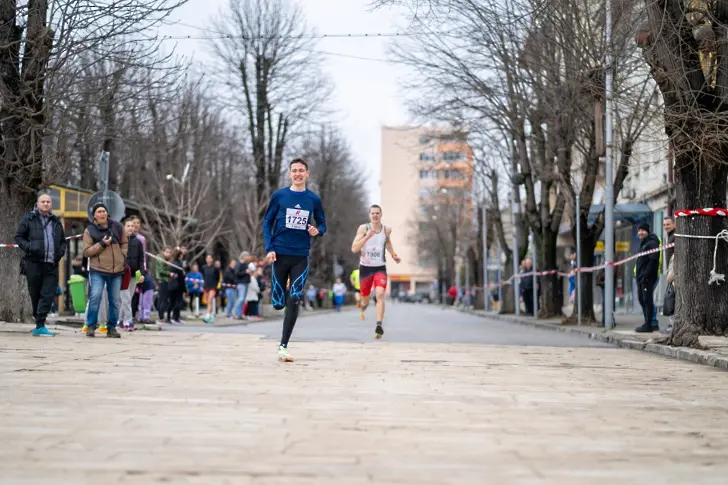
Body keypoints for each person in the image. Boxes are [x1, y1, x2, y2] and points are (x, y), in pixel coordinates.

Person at [263, 158, 327, 362]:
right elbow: (267, 222)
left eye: (301, 170)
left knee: (295, 298)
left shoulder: (313, 199)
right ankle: (278, 300)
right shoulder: (280, 195)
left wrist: (317, 230)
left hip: (301, 255)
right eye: (294, 171)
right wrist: (269, 248)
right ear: (290, 174)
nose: (298, 174)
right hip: (280, 254)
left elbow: (323, 224)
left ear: (307, 174)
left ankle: (283, 346)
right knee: (278, 303)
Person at [15, 191, 67, 337]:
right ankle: (38, 324)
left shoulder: (56, 221)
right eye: (43, 201)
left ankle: (40, 324)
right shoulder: (29, 218)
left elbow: (63, 241)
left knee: (48, 294)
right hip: (33, 263)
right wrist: (30, 247)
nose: (45, 204)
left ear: (51, 204)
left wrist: (60, 253)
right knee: (35, 294)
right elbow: (19, 237)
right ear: (38, 203)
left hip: (51, 264)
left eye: (48, 202)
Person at [351, 204, 401, 339]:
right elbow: (354, 248)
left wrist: (394, 255)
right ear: (369, 215)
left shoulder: (386, 230)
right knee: (365, 299)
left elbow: (388, 244)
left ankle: (379, 325)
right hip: (365, 269)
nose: (375, 215)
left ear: (381, 214)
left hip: (380, 267)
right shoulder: (363, 228)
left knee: (379, 294)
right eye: (372, 213)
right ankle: (363, 307)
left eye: (377, 213)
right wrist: (367, 237)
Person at [82, 202, 128, 338]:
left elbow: (125, 243)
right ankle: (91, 326)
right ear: (94, 216)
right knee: (95, 297)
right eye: (99, 212)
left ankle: (111, 328)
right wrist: (102, 244)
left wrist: (122, 255)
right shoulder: (90, 230)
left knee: (114, 301)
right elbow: (86, 252)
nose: (102, 214)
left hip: (117, 271)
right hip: (98, 270)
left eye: (104, 211)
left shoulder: (118, 227)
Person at [634, 223, 661, 333]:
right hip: (641, 277)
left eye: (643, 230)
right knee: (642, 300)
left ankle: (649, 324)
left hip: (647, 278)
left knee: (647, 300)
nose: (640, 232)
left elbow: (653, 261)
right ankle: (648, 322)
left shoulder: (652, 243)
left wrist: (646, 276)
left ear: (647, 231)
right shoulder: (643, 243)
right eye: (639, 230)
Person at [119, 218, 145, 331]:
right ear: (124, 227)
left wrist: (141, 274)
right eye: (128, 226)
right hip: (122, 274)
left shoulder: (138, 242)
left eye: (132, 226)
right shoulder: (119, 240)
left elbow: (141, 259)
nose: (131, 228)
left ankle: (120, 320)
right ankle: (129, 321)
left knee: (128, 298)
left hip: (134, 274)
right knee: (125, 298)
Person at [166, 249, 186, 325]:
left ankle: (172, 317)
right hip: (177, 286)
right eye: (182, 255)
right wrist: (184, 287)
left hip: (171, 285)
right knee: (177, 302)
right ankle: (175, 317)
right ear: (179, 255)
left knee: (172, 302)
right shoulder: (178, 264)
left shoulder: (172, 263)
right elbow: (181, 277)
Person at [155, 247, 173, 323]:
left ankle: (161, 316)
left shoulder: (165, 260)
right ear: (163, 251)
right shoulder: (160, 259)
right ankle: (160, 317)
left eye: (169, 252)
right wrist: (169, 274)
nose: (168, 254)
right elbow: (161, 271)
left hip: (165, 280)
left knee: (164, 299)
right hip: (162, 280)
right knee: (162, 299)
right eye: (167, 252)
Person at [201, 255, 220, 323]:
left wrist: (215, 285)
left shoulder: (215, 268)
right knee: (208, 301)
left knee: (209, 300)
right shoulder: (204, 267)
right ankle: (211, 316)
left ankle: (207, 316)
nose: (208, 259)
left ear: (212, 259)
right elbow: (203, 276)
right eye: (207, 258)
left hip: (213, 286)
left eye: (210, 258)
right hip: (206, 286)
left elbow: (217, 277)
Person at [233, 251, 252, 319]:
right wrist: (245, 272)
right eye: (247, 256)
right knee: (240, 299)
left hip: (245, 283)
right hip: (241, 283)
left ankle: (240, 314)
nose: (248, 257)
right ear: (244, 256)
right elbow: (237, 273)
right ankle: (236, 313)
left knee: (243, 299)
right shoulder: (239, 263)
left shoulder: (246, 264)